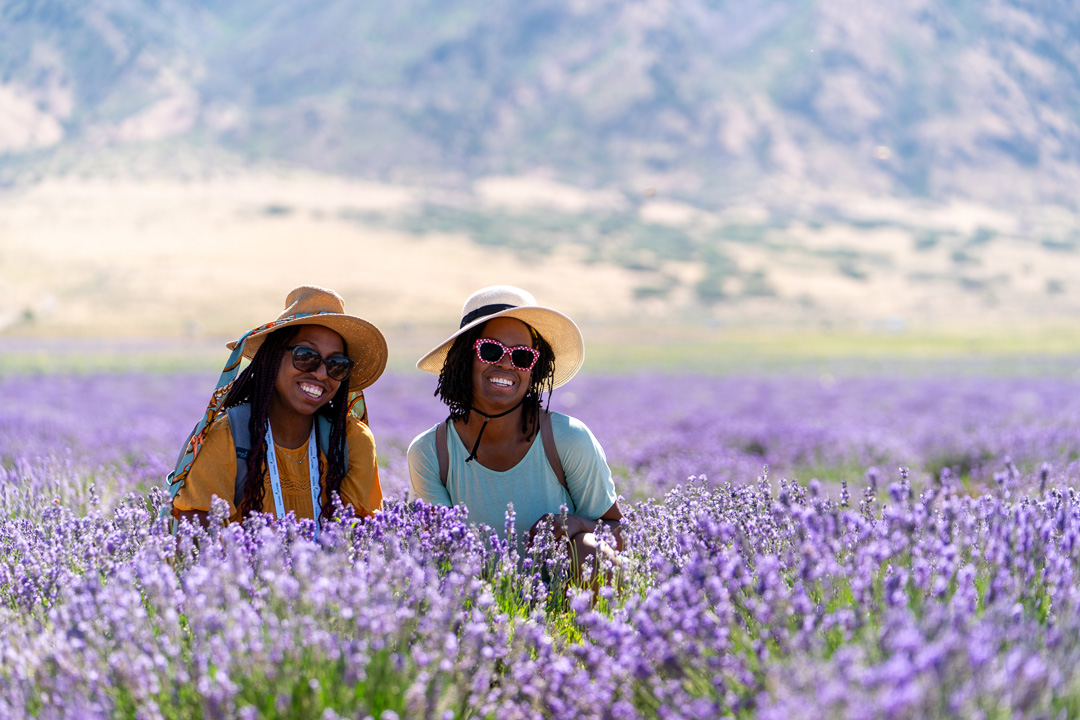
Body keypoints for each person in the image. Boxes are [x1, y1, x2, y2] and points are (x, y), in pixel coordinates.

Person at [407, 285, 623, 581]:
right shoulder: (431, 452)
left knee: (590, 552)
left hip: (565, 602)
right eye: (491, 350)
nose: (507, 363)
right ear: (463, 359)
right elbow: (442, 555)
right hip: (476, 606)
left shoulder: (568, 439)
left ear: (535, 369)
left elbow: (618, 533)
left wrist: (577, 525)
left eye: (522, 356)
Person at [166, 285, 387, 531]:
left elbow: (363, 541)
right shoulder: (228, 437)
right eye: (306, 356)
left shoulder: (352, 441)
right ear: (273, 357)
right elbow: (196, 541)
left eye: (336, 364)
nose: (322, 373)